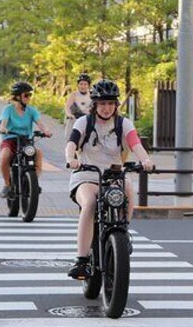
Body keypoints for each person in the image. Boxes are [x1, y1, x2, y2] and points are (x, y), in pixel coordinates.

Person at [64, 79, 154, 280]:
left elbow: (135, 144)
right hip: (86, 174)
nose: (107, 108)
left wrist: (145, 160)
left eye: (111, 103)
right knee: (89, 204)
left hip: (113, 174)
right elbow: (71, 144)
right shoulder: (84, 122)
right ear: (95, 105)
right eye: (102, 103)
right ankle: (82, 260)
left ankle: (122, 231)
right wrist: (71, 159)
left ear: (116, 105)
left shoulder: (123, 123)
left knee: (129, 191)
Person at [0, 81, 52, 198]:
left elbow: (40, 123)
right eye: (26, 95)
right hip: (10, 139)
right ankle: (7, 185)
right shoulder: (8, 109)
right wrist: (3, 128)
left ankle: (33, 182)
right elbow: (3, 123)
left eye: (29, 95)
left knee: (38, 154)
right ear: (18, 97)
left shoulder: (32, 110)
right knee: (4, 156)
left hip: (25, 141)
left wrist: (46, 130)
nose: (29, 98)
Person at [64, 73, 92, 140]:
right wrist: (69, 114)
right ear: (78, 85)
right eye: (81, 84)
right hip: (74, 119)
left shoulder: (92, 96)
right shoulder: (74, 95)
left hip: (87, 120)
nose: (83, 86)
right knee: (70, 139)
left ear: (88, 85)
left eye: (85, 84)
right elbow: (67, 107)